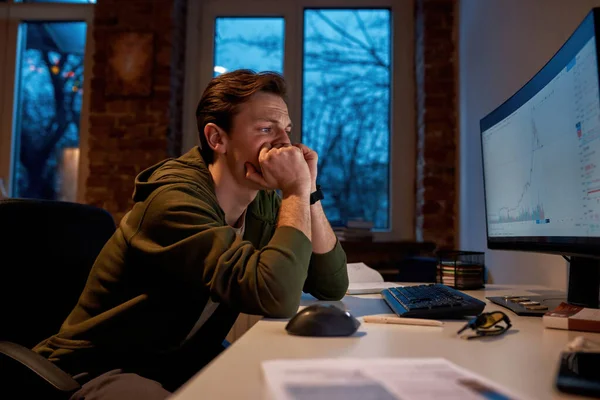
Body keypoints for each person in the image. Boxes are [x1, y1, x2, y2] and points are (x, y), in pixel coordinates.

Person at [33, 69, 349, 398]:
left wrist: (308, 192)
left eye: (286, 131)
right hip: (96, 369)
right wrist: (295, 190)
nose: (286, 145)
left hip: (178, 362)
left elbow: (331, 284)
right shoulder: (173, 201)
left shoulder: (264, 202)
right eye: (266, 129)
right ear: (217, 139)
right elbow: (275, 295)